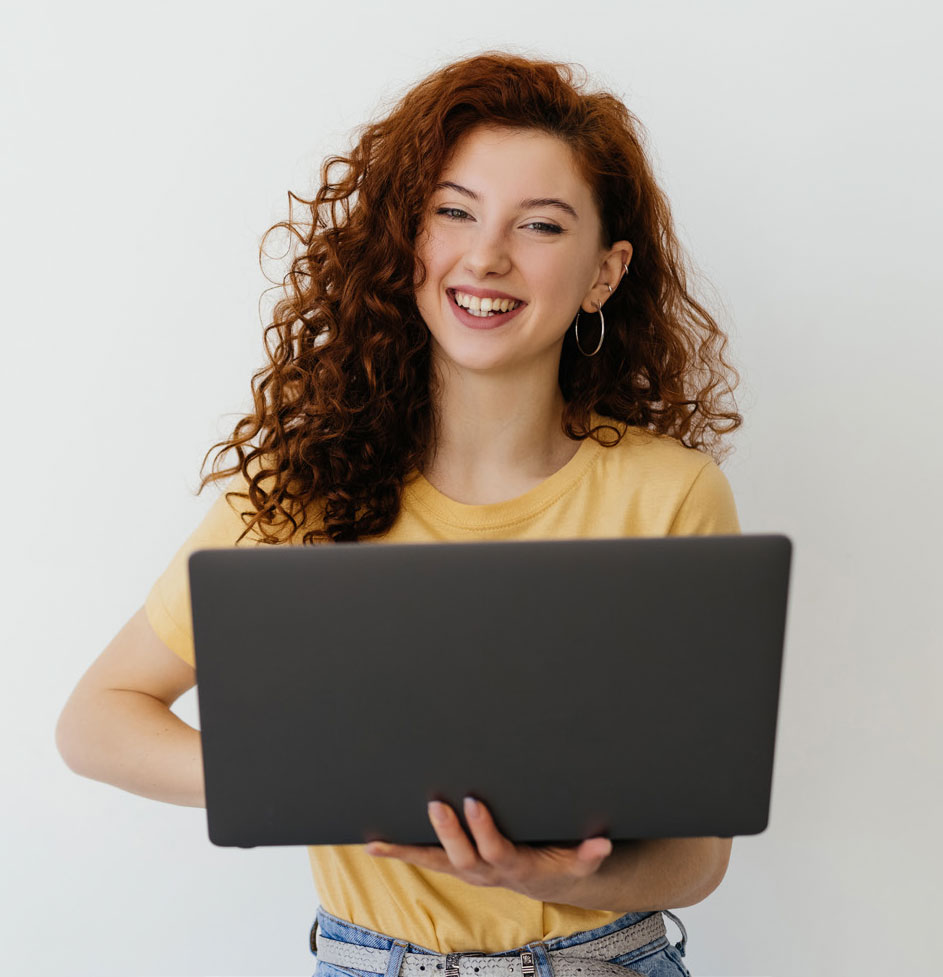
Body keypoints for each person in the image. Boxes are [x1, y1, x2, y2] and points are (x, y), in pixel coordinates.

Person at [56, 52, 743, 977]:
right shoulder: (303, 485)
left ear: (603, 273)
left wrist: (541, 872)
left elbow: (696, 857)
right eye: (453, 211)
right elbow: (96, 718)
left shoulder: (670, 496)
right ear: (406, 240)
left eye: (539, 225)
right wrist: (308, 781)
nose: (486, 255)